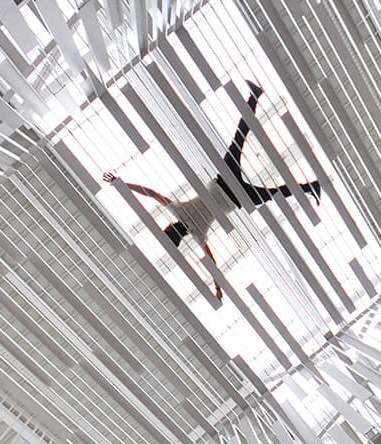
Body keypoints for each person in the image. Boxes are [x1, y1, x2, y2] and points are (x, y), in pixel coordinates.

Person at [104, 82, 321, 302]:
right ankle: (254, 97)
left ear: (183, 238)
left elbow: (212, 264)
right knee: (239, 139)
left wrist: (218, 289)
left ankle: (311, 187)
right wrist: (121, 184)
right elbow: (150, 192)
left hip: (236, 200)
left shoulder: (198, 235)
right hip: (222, 181)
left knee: (276, 193)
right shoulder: (178, 210)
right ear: (169, 226)